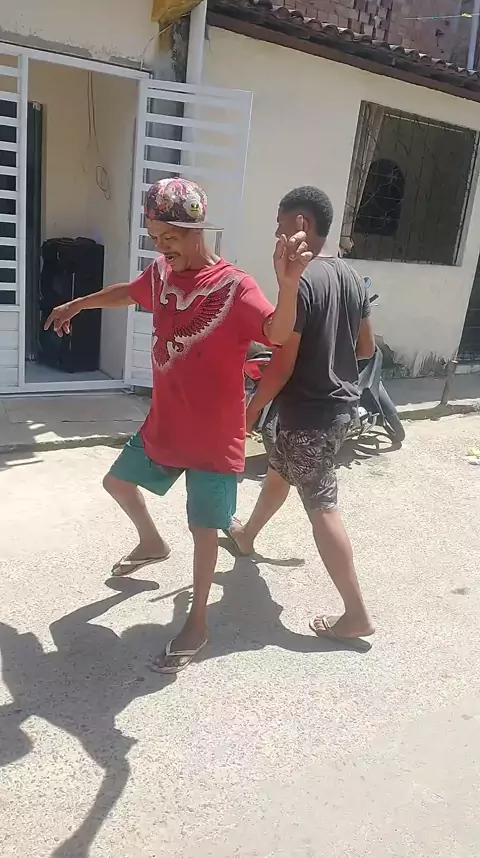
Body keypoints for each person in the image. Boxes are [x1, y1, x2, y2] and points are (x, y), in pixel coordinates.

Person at [45, 177, 312, 673]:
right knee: (117, 483)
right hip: (166, 421)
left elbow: (276, 332)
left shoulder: (234, 287)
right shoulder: (163, 273)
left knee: (204, 529)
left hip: (214, 434)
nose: (161, 247)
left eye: (169, 237)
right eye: (155, 237)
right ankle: (151, 543)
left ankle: (198, 623)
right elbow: (129, 293)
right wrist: (78, 303)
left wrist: (289, 284)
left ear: (196, 231)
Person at [226, 186, 376, 650]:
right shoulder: (351, 277)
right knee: (279, 469)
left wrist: (251, 408)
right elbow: (367, 347)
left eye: (280, 222)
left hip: (309, 412)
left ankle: (355, 614)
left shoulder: (301, 282)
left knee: (322, 506)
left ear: (302, 224)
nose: (276, 232)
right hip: (339, 409)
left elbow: (283, 363)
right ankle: (247, 536)